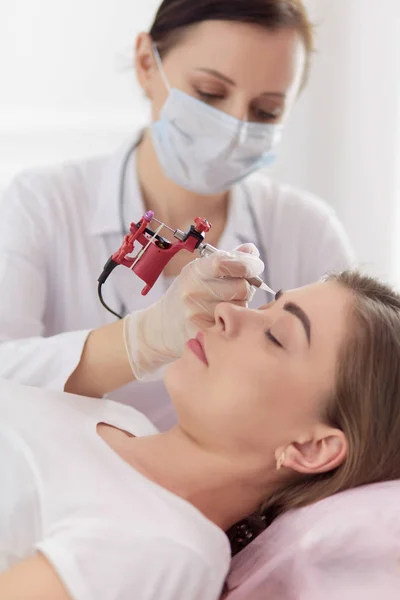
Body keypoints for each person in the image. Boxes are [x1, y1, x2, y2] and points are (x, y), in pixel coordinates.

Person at [0, 0, 354, 429]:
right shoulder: (41, 204)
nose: (235, 128)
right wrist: (143, 339)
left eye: (266, 112)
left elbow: (348, 406)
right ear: (147, 63)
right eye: (209, 93)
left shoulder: (309, 232)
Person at [2, 265, 400, 600]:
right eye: (265, 304)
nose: (228, 311)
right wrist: (140, 337)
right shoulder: (125, 422)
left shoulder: (164, 548)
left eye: (276, 336)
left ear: (311, 447)